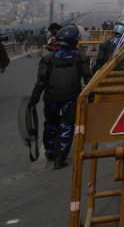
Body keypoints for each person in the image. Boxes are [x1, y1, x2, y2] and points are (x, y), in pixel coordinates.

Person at [29, 25, 92, 168]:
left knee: (50, 124)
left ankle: (50, 152)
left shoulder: (48, 58)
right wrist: (92, 98)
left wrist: (33, 100)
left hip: (51, 97)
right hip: (71, 98)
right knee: (67, 126)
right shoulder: (81, 57)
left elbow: (41, 82)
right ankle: (60, 159)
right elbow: (89, 79)